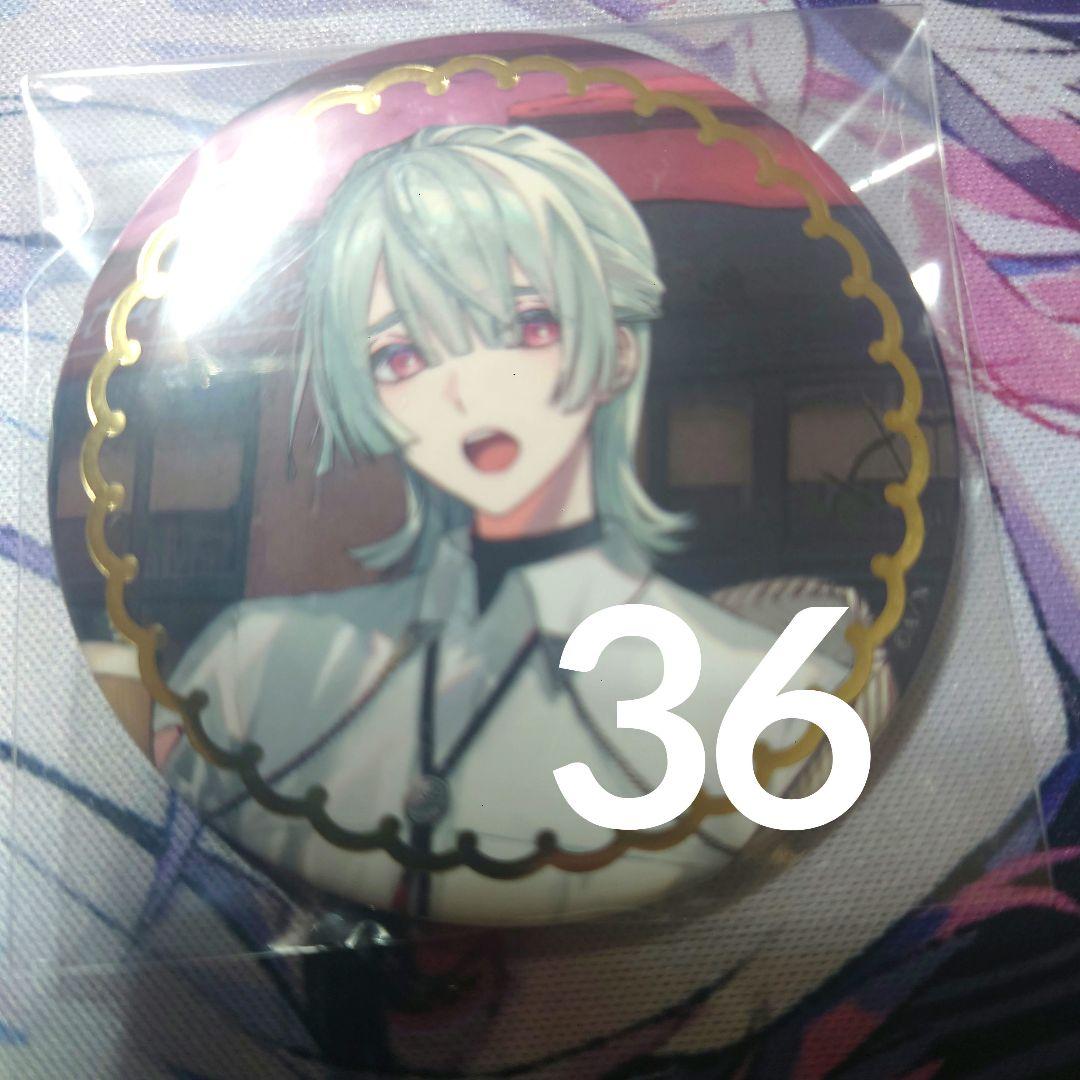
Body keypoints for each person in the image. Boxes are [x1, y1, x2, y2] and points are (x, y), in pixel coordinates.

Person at [154, 124, 855, 924]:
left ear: (620, 350)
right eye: (401, 355)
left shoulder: (778, 699)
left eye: (528, 326)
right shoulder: (246, 671)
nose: (469, 392)